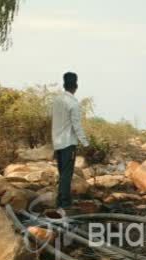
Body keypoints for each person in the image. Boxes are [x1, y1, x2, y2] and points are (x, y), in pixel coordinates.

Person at [51, 71, 89, 209]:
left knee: (62, 173)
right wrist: (85, 143)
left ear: (64, 84)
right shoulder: (73, 103)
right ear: (76, 86)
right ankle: (65, 204)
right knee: (67, 174)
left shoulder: (56, 100)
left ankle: (59, 202)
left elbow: (55, 122)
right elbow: (76, 125)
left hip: (57, 142)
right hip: (68, 143)